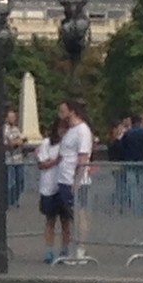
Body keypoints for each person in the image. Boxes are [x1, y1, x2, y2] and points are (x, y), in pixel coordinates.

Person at [55, 100, 95, 257]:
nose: (60, 114)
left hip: (76, 181)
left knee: (80, 214)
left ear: (72, 111)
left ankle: (81, 248)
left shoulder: (82, 130)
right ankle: (71, 246)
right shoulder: (69, 130)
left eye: (62, 111)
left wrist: (76, 182)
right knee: (69, 216)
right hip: (64, 179)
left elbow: (83, 158)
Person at [37, 117, 68, 261]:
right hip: (49, 186)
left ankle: (64, 250)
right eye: (61, 128)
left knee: (66, 221)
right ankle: (48, 250)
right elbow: (42, 163)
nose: (63, 131)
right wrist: (56, 161)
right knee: (50, 220)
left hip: (64, 185)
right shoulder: (47, 143)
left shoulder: (69, 144)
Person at [3, 108, 26, 208]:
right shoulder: (4, 129)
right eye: (11, 117)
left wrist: (17, 141)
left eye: (14, 117)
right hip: (9, 160)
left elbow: (23, 140)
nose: (13, 119)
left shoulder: (16, 129)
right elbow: (9, 143)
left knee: (20, 181)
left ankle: (16, 200)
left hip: (19, 159)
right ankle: (9, 201)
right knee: (10, 182)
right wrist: (16, 141)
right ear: (6, 118)